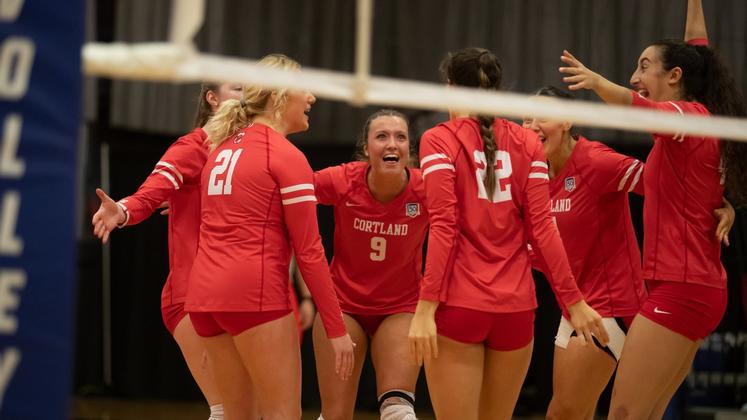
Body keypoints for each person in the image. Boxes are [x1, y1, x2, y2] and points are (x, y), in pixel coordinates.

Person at [559, 0, 747, 417]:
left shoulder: (687, 116)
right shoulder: (705, 117)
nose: (635, 76)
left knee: (624, 413)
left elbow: (635, 106)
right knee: (644, 414)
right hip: (697, 288)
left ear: (675, 76)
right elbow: (700, 50)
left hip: (679, 290)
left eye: (644, 66)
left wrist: (594, 81)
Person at [408, 47, 608, 420]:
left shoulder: (438, 139)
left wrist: (424, 308)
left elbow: (444, 227)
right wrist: (574, 301)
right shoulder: (528, 141)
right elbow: (544, 228)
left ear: (450, 89)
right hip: (516, 311)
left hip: (459, 306)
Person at [523, 86, 734, 420]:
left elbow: (666, 183)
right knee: (576, 411)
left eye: (542, 117)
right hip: (575, 307)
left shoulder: (595, 161)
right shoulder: (534, 176)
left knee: (562, 414)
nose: (531, 126)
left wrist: (723, 205)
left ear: (567, 121)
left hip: (610, 306)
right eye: (525, 119)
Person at [185, 53, 355, 420]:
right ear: (280, 96)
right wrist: (336, 328)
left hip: (204, 300)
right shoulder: (285, 155)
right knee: (282, 415)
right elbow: (310, 252)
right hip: (254, 296)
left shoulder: (220, 149)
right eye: (304, 89)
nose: (311, 97)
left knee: (237, 416)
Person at [91, 82, 243, 420]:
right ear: (212, 98)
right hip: (191, 295)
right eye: (238, 88)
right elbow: (151, 192)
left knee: (252, 410)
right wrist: (123, 211)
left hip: (233, 293)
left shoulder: (245, 154)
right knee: (229, 411)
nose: (246, 96)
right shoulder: (192, 147)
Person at [312, 110, 426, 420]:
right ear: (366, 148)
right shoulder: (342, 179)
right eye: (382, 136)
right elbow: (285, 193)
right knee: (334, 415)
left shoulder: (426, 187)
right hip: (343, 306)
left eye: (400, 137)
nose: (392, 144)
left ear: (409, 149)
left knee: (399, 411)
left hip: (400, 308)